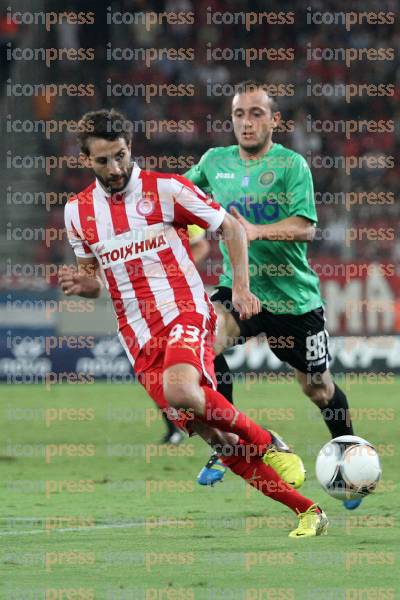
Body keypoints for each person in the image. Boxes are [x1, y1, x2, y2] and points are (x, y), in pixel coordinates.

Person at [59, 108, 328, 538]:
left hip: (185, 312)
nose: (115, 168)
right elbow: (95, 283)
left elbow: (233, 230)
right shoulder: (77, 213)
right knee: (218, 439)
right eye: (103, 160)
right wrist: (81, 283)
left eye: (121, 156)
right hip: (138, 337)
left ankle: (268, 441)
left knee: (181, 389)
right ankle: (308, 511)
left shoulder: (166, 189)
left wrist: (240, 289)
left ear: (131, 148)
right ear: (86, 159)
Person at [185, 80, 359, 510]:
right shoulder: (214, 162)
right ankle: (229, 443)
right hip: (239, 289)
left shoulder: (291, 166)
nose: (247, 122)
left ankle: (350, 459)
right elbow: (175, 198)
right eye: (239, 114)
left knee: (318, 388)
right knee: (202, 346)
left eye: (257, 114)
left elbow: (306, 227)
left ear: (274, 120)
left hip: (293, 301)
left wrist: (255, 230)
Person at [160, 224, 210, 444]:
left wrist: (177, 270)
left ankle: (221, 426)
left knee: (178, 367)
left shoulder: (170, 199)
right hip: (143, 308)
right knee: (156, 370)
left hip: (179, 302)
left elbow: (201, 245)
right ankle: (174, 428)